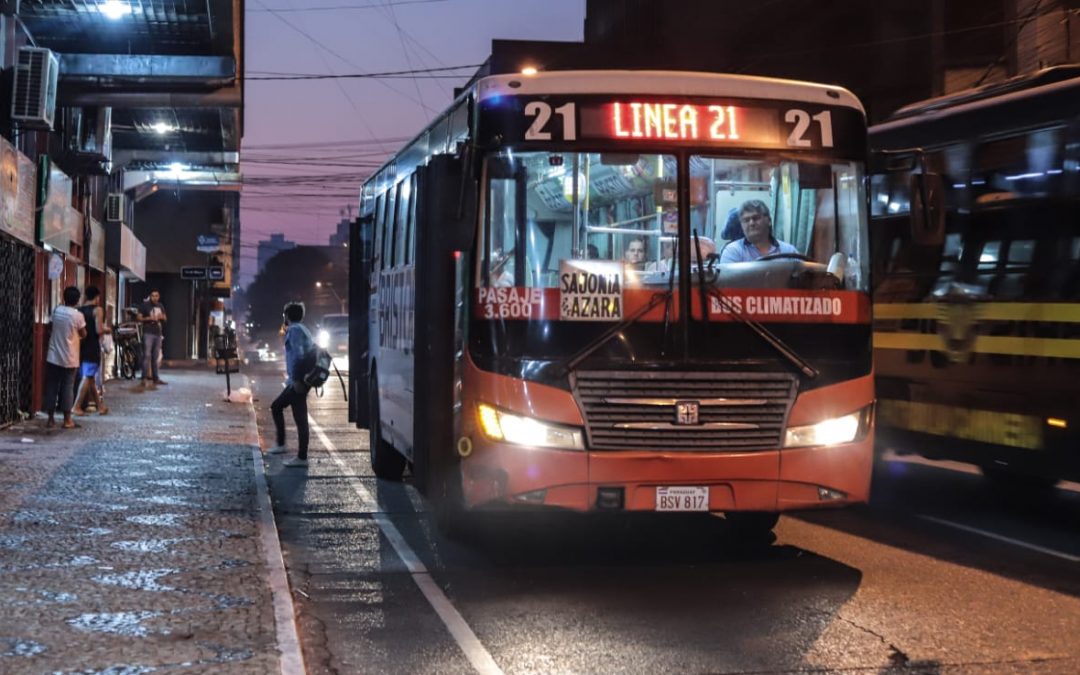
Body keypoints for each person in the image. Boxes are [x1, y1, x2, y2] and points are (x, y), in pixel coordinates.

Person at [266, 301, 315, 468]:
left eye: (284, 314)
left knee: (286, 411)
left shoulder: (294, 331)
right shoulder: (304, 329)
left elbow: (298, 356)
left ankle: (299, 456)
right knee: (292, 413)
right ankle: (291, 450)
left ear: (288, 316)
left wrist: (296, 380)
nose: (284, 317)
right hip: (301, 379)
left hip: (298, 381)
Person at [44, 286, 86, 429]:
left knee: (52, 386)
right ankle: (67, 420)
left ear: (64, 297)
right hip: (70, 357)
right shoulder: (77, 315)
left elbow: (50, 327)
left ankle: (50, 419)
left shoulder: (57, 311)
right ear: (77, 300)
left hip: (53, 355)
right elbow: (83, 333)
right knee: (68, 387)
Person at [719, 200, 798, 263]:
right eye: (746, 220)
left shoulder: (789, 251)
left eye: (756, 218)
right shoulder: (732, 251)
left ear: (769, 221)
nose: (751, 223)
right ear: (741, 225)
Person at [74, 286, 108, 416]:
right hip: (92, 346)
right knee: (88, 376)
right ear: (97, 297)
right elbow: (99, 330)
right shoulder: (97, 310)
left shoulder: (79, 310)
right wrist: (107, 329)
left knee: (91, 378)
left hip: (81, 346)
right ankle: (76, 406)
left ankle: (100, 407)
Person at [136, 290, 167, 389]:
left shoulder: (160, 306)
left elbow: (165, 318)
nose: (155, 298)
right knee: (147, 355)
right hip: (148, 333)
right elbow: (139, 318)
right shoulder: (144, 306)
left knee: (155, 357)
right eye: (153, 296)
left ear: (159, 297)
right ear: (150, 296)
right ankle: (144, 378)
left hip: (158, 333)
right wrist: (149, 318)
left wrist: (162, 317)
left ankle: (155, 378)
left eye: (156, 296)